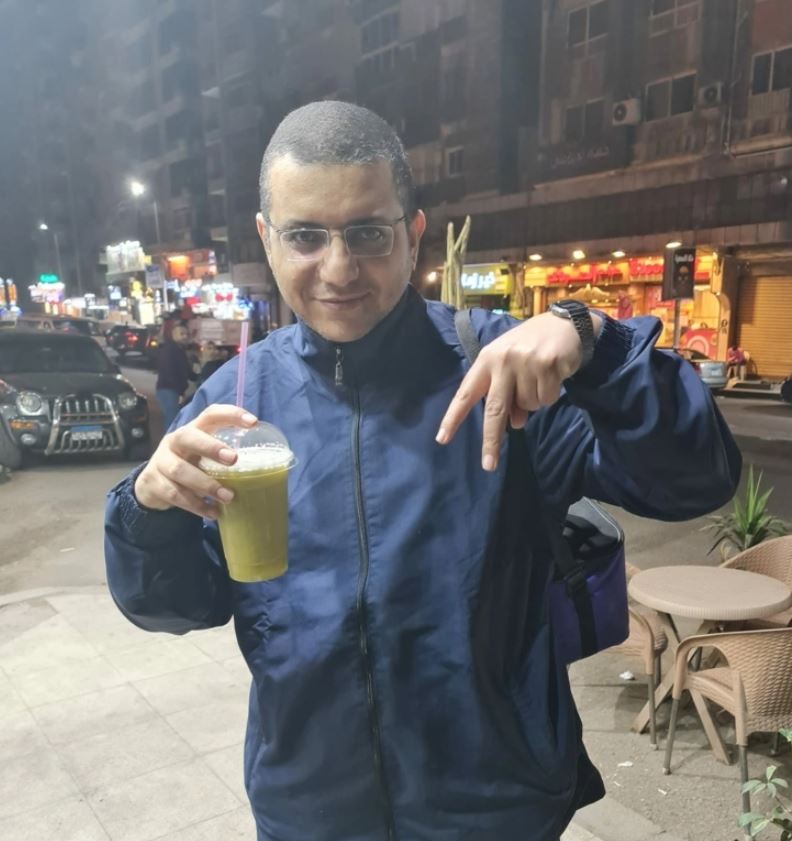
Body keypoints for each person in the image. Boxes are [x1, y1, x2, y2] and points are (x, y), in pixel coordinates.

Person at [105, 101, 741, 841]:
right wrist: (149, 509)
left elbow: (694, 479)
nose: (338, 269)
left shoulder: (501, 370)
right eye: (305, 236)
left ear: (412, 236)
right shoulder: (234, 401)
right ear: (266, 239)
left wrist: (596, 344)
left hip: (494, 809)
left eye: (367, 234)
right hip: (311, 812)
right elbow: (176, 605)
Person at [154, 323, 193, 430]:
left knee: (175, 419)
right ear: (174, 334)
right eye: (182, 334)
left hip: (172, 390)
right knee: (172, 421)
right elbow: (169, 372)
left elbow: (186, 371)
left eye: (186, 334)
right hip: (168, 390)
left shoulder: (179, 350)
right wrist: (180, 391)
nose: (185, 336)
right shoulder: (170, 350)